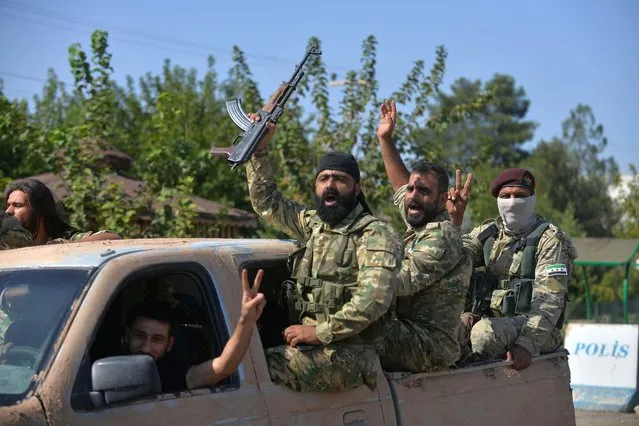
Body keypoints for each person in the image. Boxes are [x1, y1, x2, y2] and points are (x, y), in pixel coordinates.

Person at [242, 113, 402, 392]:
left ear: (356, 187)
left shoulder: (373, 234)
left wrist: (321, 331)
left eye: (339, 179)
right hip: (312, 344)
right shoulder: (314, 226)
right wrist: (258, 151)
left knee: (253, 370)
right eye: (323, 178)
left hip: (353, 352)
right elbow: (267, 203)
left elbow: (374, 298)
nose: (329, 185)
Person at [375, 100, 472, 372]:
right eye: (411, 190)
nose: (412, 196)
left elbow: (400, 282)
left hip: (430, 347)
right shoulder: (419, 218)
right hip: (408, 332)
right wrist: (385, 139)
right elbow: (400, 185)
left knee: (356, 321)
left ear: (442, 200)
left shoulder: (441, 237)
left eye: (423, 191)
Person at [451, 167, 578, 370]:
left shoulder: (551, 240)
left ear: (532, 199)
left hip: (539, 330)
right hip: (491, 320)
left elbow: (550, 300)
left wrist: (527, 344)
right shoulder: (488, 234)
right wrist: (454, 222)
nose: (512, 201)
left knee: (484, 333)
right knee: (448, 331)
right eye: (505, 196)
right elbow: (451, 261)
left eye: (520, 196)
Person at [123, 269, 266, 392]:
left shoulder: (173, 374)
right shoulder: (104, 364)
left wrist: (245, 321)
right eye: (140, 336)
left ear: (170, 344)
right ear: (127, 334)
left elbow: (223, 366)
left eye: (157, 339)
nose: (146, 347)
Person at [5, 179, 120, 245]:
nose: (8, 211)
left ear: (40, 210)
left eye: (17, 205)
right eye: (8, 205)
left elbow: (112, 237)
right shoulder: (9, 241)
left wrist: (68, 246)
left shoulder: (64, 240)